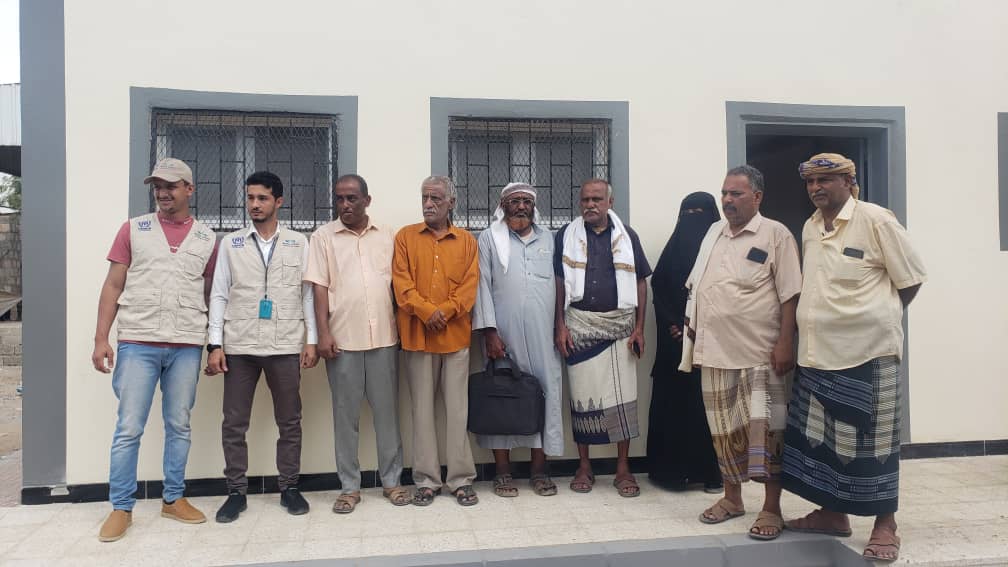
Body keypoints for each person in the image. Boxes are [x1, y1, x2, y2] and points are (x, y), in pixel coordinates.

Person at [783, 153, 926, 562]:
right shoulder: (810, 227)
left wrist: (878, 314)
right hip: (817, 355)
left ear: (849, 181)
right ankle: (832, 514)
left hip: (869, 354)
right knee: (824, 442)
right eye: (810, 182)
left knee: (876, 444)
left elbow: (911, 280)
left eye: (825, 180)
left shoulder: (876, 220)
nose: (816, 188)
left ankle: (886, 525)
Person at [91, 158, 219, 542]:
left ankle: (173, 499)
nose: (163, 192)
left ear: (189, 189)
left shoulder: (207, 238)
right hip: (138, 342)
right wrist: (101, 338)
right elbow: (113, 285)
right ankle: (121, 507)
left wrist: (216, 344)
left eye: (171, 185)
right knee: (129, 428)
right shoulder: (134, 229)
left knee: (179, 424)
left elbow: (212, 294)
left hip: (186, 345)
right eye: (158, 186)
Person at [681, 165, 801, 540]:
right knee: (723, 431)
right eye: (724, 193)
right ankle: (732, 498)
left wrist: (785, 342)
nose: (727, 200)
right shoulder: (713, 233)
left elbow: (791, 294)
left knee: (768, 435)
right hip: (714, 350)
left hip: (759, 353)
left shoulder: (776, 234)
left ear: (757, 197)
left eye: (736, 194)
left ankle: (771, 508)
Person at [205, 171, 317, 522]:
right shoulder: (231, 243)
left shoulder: (298, 243)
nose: (254, 204)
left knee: (290, 421)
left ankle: (290, 487)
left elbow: (307, 295)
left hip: (284, 344)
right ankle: (236, 492)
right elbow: (219, 294)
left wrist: (311, 339)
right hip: (240, 345)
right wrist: (214, 344)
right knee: (234, 423)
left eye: (262, 198)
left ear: (278, 202)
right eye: (250, 198)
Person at [304, 174, 408, 514]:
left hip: (384, 339)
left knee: (387, 416)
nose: (345, 205)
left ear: (367, 200)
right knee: (345, 418)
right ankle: (349, 488)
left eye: (351, 198)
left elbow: (397, 286)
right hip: (342, 342)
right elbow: (319, 288)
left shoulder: (388, 235)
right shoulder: (323, 237)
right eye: (339, 199)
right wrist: (322, 334)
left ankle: (392, 482)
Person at [554, 179, 651, 498]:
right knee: (582, 399)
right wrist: (560, 325)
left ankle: (623, 468)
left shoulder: (627, 236)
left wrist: (639, 327)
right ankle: (584, 466)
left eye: (596, 199)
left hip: (621, 328)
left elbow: (640, 282)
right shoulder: (566, 235)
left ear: (610, 202)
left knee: (623, 399)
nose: (590, 205)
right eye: (585, 200)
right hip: (579, 326)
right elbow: (559, 282)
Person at [472, 182, 564, 498]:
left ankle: (539, 470)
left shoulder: (549, 239)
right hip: (503, 334)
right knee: (501, 396)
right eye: (515, 201)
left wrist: (560, 326)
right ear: (503, 205)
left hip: (543, 334)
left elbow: (560, 284)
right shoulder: (489, 238)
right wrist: (489, 332)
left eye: (527, 201)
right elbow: (482, 285)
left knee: (545, 394)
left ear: (533, 206)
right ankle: (502, 472)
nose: (521, 206)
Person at [392, 175, 479, 507]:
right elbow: (401, 285)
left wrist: (446, 311)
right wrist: (427, 312)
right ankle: (427, 480)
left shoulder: (467, 241)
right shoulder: (405, 237)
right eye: (425, 198)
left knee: (458, 412)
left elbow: (469, 287)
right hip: (417, 338)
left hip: (455, 339)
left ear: (451, 203)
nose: (428, 204)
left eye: (436, 199)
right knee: (422, 413)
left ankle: (460, 479)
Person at [646, 192, 722, 493]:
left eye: (700, 213)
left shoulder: (721, 250)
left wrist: (698, 327)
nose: (693, 220)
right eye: (688, 213)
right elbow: (659, 288)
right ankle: (670, 473)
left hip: (709, 343)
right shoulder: (672, 252)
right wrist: (674, 325)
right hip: (674, 346)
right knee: (672, 407)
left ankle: (710, 473)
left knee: (705, 409)